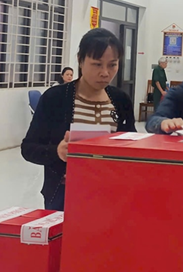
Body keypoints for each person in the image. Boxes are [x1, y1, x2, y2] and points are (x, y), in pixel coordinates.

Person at [21, 28, 136, 211]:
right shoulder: (55, 98)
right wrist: (57, 151)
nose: (105, 72)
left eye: (112, 65)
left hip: (112, 194)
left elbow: (131, 146)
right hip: (65, 196)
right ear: (80, 60)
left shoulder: (121, 100)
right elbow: (28, 148)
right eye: (97, 64)